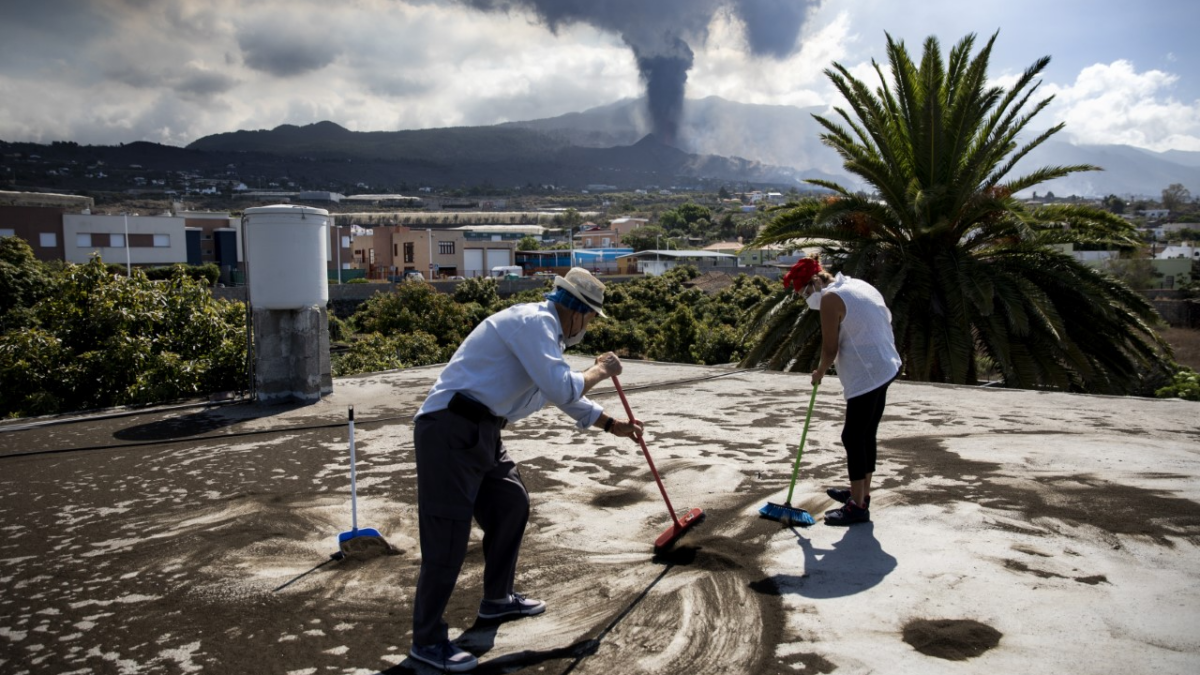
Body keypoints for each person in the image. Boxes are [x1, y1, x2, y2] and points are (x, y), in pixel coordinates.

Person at [408, 267, 643, 673]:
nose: (586, 327)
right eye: (588, 318)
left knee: (510, 503)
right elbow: (564, 388)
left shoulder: (545, 337)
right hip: (450, 428)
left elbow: (559, 392)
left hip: (483, 430)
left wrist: (611, 424)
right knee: (447, 535)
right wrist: (601, 371)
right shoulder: (534, 323)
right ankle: (427, 640)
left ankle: (497, 600)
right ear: (576, 310)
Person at [783, 255, 902, 526]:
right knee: (865, 433)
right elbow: (886, 316)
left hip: (868, 373)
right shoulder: (856, 285)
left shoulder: (829, 299)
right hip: (886, 365)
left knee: (852, 436)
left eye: (804, 292)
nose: (805, 299)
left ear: (815, 281)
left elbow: (829, 348)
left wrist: (820, 372)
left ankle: (857, 506)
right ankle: (861, 492)